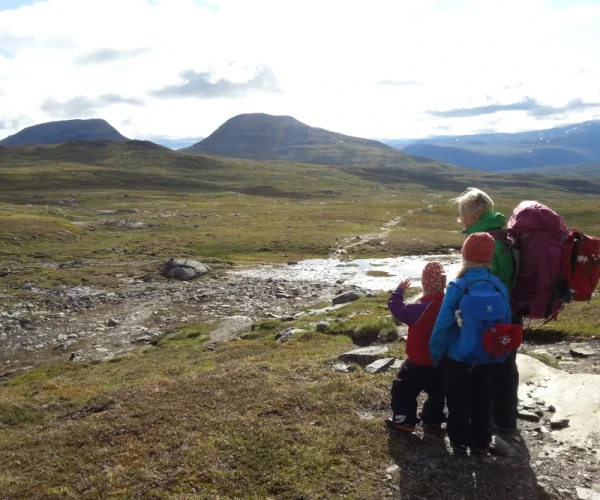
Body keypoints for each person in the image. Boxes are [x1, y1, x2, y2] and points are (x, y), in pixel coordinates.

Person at [429, 233, 512, 455]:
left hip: (459, 356)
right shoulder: (498, 285)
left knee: (458, 401)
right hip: (489, 356)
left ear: (465, 254)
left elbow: (443, 325)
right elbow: (506, 322)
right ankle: (481, 442)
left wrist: (435, 354)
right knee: (483, 400)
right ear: (489, 258)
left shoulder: (458, 286)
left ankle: (459, 442)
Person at [451, 187, 519, 433]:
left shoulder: (483, 239)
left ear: (472, 215)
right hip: (509, 309)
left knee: (486, 362)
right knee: (506, 360)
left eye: (462, 213)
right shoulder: (501, 233)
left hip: (489, 313)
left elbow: (478, 280)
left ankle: (488, 419)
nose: (461, 219)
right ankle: (504, 417)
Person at [386, 262, 447, 433]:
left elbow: (397, 309)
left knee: (402, 389)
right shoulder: (448, 306)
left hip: (418, 361)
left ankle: (404, 421)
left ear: (424, 283)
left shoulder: (420, 308)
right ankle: (433, 419)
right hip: (441, 361)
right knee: (437, 392)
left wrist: (398, 292)